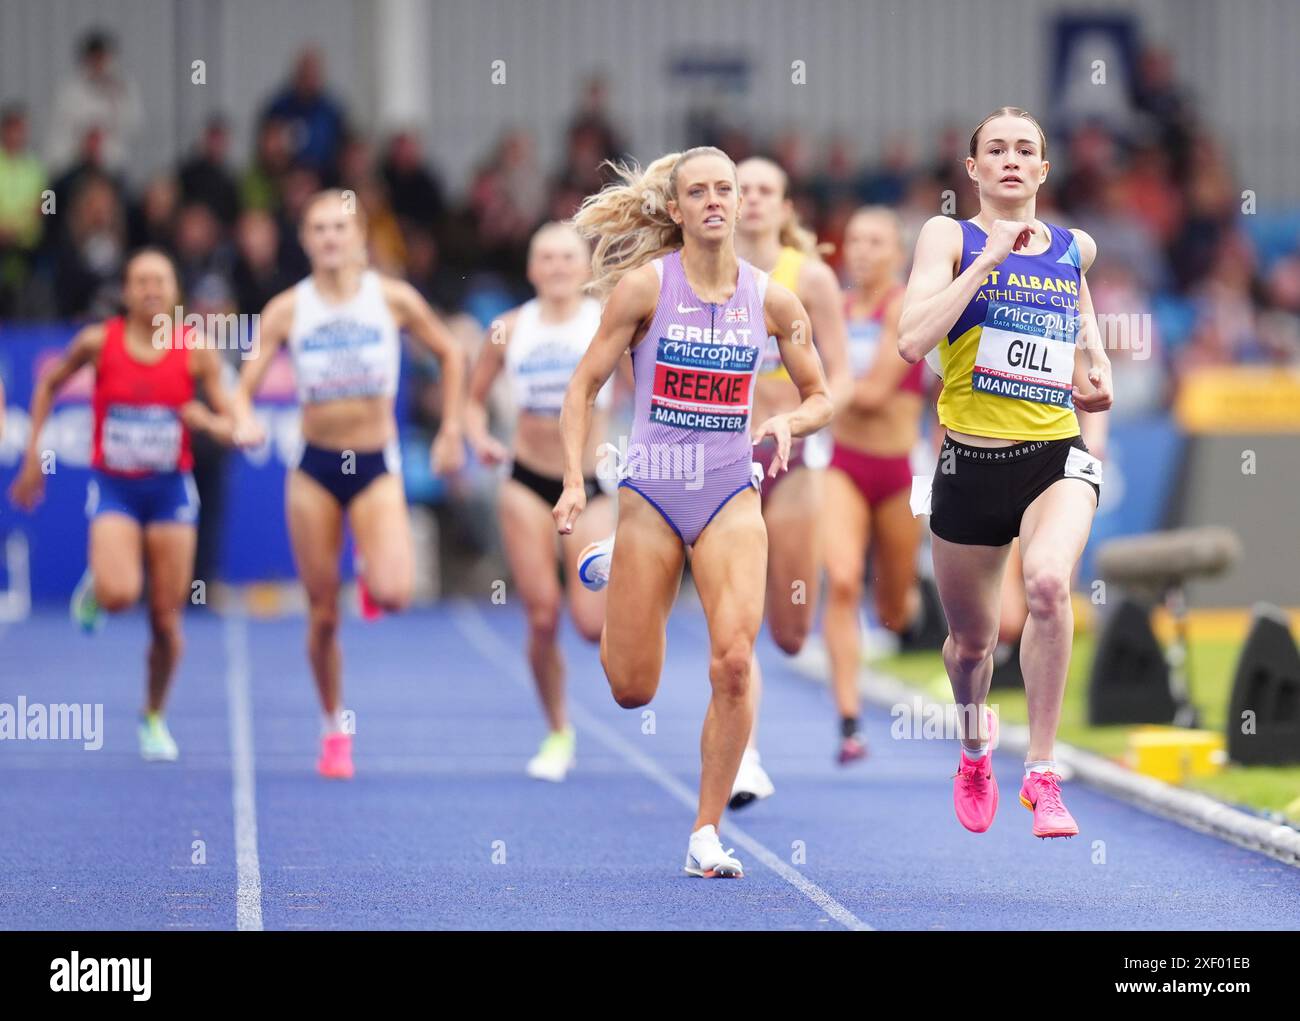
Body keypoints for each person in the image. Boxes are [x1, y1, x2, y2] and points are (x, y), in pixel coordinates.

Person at [556, 147, 832, 877]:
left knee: (735, 661)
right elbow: (582, 386)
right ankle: (620, 559)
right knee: (630, 688)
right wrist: (575, 483)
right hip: (649, 492)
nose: (715, 201)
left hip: (728, 493)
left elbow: (821, 394)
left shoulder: (775, 301)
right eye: (698, 191)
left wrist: (787, 427)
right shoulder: (644, 290)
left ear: (743, 204)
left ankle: (706, 831)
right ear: (675, 209)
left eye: (726, 190)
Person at [898, 107, 1112, 839]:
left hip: (1053, 453)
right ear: (974, 169)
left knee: (1049, 582)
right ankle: (973, 749)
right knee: (971, 645)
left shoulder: (1074, 246)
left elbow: (1083, 327)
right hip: (968, 465)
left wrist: (1097, 368)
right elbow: (909, 339)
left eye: (1027, 150)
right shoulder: (946, 236)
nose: (1012, 159)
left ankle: (1043, 772)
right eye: (997, 149)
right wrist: (987, 261)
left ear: (1044, 170)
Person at [231, 189, 465, 780]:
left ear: (361, 236)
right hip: (314, 466)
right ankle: (334, 726)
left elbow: (451, 354)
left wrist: (451, 431)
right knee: (322, 614)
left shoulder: (392, 297)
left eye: (341, 227)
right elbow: (245, 381)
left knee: (394, 594)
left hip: (374, 463)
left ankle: (369, 569)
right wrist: (243, 415)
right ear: (306, 240)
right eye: (319, 229)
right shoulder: (287, 308)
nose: (331, 238)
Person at [8, 248, 235, 760]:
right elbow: (48, 382)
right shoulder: (98, 341)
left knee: (165, 623)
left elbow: (229, 415)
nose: (151, 290)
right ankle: (99, 586)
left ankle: (152, 716)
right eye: (141, 281)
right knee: (118, 594)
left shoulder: (197, 350)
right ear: (127, 292)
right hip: (115, 489)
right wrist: (32, 454)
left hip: (171, 491)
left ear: (175, 293)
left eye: (161, 281)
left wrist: (218, 424)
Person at [465, 223, 615, 781]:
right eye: (545, 258)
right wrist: (477, 436)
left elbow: (645, 387)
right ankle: (557, 730)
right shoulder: (508, 329)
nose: (556, 267)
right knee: (543, 614)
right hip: (525, 479)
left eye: (566, 257)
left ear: (585, 266)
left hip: (591, 480)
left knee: (589, 622)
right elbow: (472, 402)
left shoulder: (607, 319)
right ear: (531, 269)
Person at [730, 156, 850, 800]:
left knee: (790, 629)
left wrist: (811, 419)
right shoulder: (701, 275)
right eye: (739, 188)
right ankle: (744, 755)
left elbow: (840, 372)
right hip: (726, 461)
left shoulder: (813, 278)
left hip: (795, 460)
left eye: (763, 190)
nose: (750, 199)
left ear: (783, 207)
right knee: (736, 621)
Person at [821, 206, 926, 762]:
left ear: (897, 253)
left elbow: (877, 391)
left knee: (892, 611)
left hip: (897, 472)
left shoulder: (905, 305)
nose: (860, 251)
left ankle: (909, 600)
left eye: (874, 242)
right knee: (840, 582)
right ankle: (848, 720)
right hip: (844, 463)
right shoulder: (833, 309)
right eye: (854, 240)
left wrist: (816, 394)